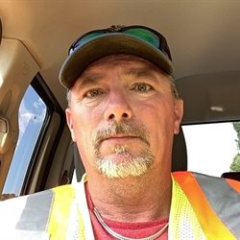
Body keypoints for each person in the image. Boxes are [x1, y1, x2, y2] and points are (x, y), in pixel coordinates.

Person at [0, 25, 240, 240]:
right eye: (93, 92)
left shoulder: (234, 211)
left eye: (142, 87)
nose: (117, 107)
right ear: (72, 124)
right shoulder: (11, 225)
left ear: (175, 115)